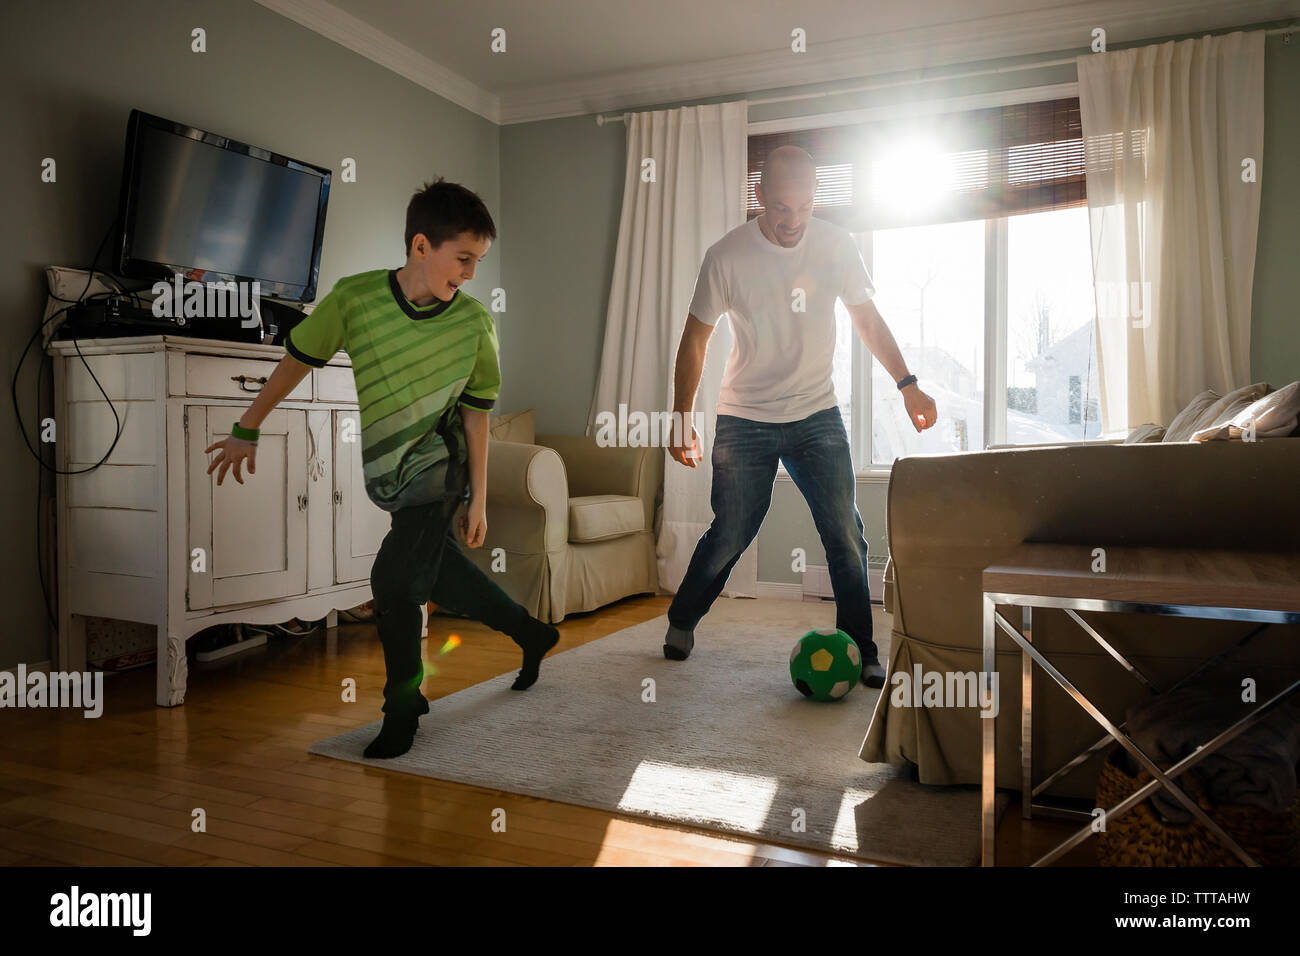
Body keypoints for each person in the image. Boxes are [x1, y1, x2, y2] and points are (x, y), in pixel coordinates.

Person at [204, 178, 559, 759]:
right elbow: (296, 361)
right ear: (421, 247)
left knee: (392, 584)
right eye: (463, 258)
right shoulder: (354, 299)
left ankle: (403, 706)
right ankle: (531, 633)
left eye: (478, 262)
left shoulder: (473, 324)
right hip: (390, 475)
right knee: (438, 573)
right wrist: (247, 426)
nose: (471, 275)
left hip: (440, 470)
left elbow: (476, 417)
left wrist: (480, 498)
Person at [664, 146, 938, 688]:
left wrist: (907, 384)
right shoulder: (727, 256)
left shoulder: (837, 245)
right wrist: (681, 417)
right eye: (782, 207)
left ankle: (861, 647)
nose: (792, 220)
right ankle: (681, 620)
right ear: (760, 196)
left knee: (845, 532)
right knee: (732, 531)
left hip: (816, 411)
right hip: (745, 416)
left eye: (804, 207)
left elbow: (867, 320)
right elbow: (695, 340)